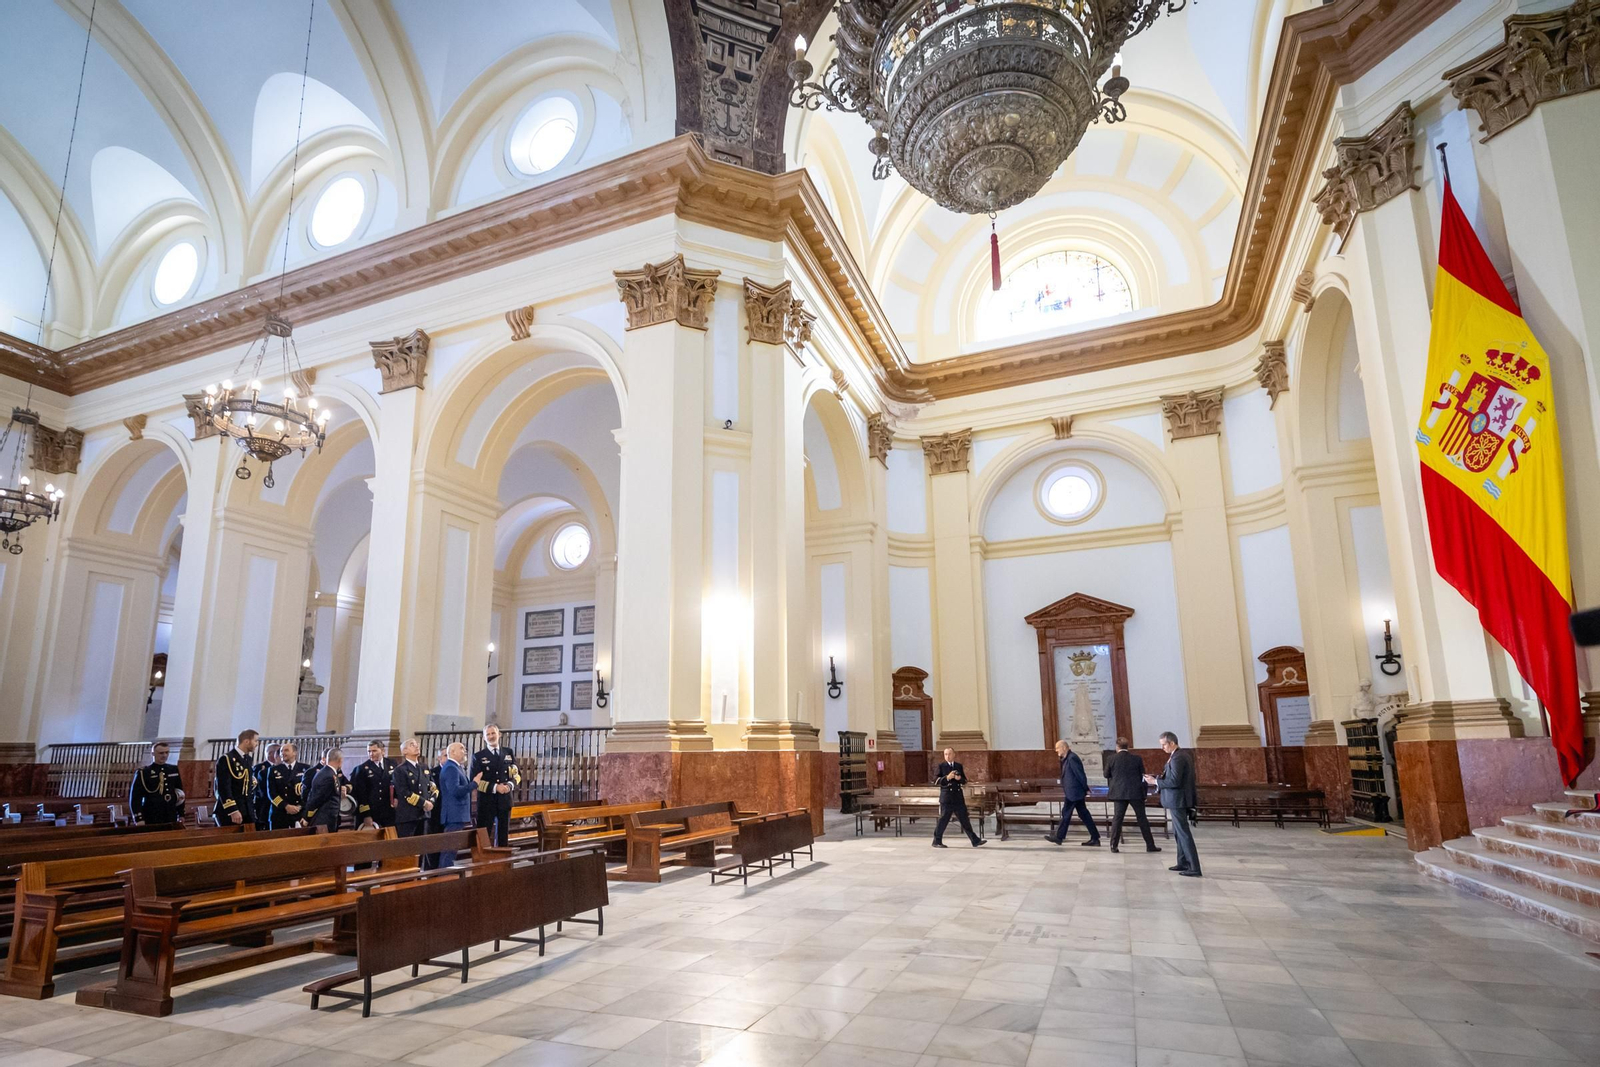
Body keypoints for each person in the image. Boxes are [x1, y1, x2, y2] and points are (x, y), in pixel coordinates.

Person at [1145, 731, 1200, 877]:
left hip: (1178, 799)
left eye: (1164, 745)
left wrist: (1155, 782)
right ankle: (1182, 862)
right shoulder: (1178, 756)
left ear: (1172, 743)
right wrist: (1156, 778)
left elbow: (1175, 781)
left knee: (1183, 833)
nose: (1162, 748)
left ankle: (1194, 867)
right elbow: (1172, 777)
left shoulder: (1178, 757)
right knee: (1178, 833)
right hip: (1176, 799)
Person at [1105, 737, 1159, 854]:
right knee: (1142, 819)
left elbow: (1106, 774)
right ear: (1127, 747)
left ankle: (1113, 846)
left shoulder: (1111, 758)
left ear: (1117, 747)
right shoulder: (1136, 759)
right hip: (1135, 792)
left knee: (1117, 819)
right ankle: (1150, 845)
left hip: (1119, 793)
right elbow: (1142, 774)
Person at [472, 724, 521, 846]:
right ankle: (483, 862)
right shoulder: (478, 756)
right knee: (484, 834)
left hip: (504, 799)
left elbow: (517, 775)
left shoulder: (508, 752)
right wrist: (495, 787)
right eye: (487, 734)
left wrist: (509, 785)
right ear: (484, 738)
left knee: (503, 835)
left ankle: (502, 862)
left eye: (493, 733)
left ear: (499, 734)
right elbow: (475, 781)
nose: (491, 736)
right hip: (487, 800)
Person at [1050, 739, 1101, 847]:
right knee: (1083, 815)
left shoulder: (1072, 758)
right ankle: (1095, 837)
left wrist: (1085, 788)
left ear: (1064, 747)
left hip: (1074, 792)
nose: (1056, 750)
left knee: (1066, 814)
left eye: (1057, 748)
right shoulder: (1066, 758)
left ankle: (1059, 837)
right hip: (1073, 792)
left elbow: (1080, 774)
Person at [932, 747, 985, 848]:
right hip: (947, 798)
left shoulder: (958, 766)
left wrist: (959, 778)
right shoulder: (941, 766)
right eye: (946, 754)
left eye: (949, 754)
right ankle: (937, 841)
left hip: (958, 797)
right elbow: (936, 781)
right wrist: (947, 778)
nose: (947, 756)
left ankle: (975, 840)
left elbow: (964, 781)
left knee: (965, 819)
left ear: (954, 754)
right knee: (943, 820)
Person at [393, 738, 438, 846]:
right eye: (412, 745)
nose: (417, 746)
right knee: (407, 848)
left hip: (424, 814)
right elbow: (403, 792)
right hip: (408, 815)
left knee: (421, 847)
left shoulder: (424, 767)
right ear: (404, 751)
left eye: (417, 744)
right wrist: (423, 803)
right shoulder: (400, 770)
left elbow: (433, 787)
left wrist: (431, 801)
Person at [128, 741, 185, 825]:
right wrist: (139, 818)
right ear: (153, 753)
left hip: (170, 813)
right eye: (161, 753)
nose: (164, 755)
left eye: (167, 752)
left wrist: (181, 814)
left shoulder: (173, 769)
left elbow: (180, 793)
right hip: (151, 814)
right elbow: (135, 798)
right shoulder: (144, 773)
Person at [437, 742, 473, 868]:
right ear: (452, 752)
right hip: (453, 814)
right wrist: (474, 784)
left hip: (458, 814)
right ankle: (444, 874)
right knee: (449, 847)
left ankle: (447, 871)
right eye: (461, 748)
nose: (465, 750)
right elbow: (456, 791)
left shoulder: (457, 767)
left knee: (452, 847)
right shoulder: (451, 768)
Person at [213, 729, 259, 826]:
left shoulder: (247, 759)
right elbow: (223, 787)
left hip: (246, 809)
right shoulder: (227, 759)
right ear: (247, 741)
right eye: (255, 741)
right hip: (232, 811)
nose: (257, 744)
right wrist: (232, 810)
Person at [303, 748, 350, 831]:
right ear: (340, 760)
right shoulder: (328, 776)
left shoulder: (326, 772)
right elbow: (316, 799)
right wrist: (307, 817)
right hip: (324, 819)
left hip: (328, 818)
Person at [351, 741, 395, 829]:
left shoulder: (392, 764)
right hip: (372, 811)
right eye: (369, 751)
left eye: (374, 751)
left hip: (389, 811)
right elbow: (360, 795)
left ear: (383, 751)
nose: (371, 754)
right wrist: (366, 814)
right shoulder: (362, 769)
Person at [265, 745, 304, 830]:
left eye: (286, 750)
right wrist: (286, 806)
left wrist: (300, 806)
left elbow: (309, 792)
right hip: (279, 813)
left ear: (294, 753)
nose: (282, 753)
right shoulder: (273, 770)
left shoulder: (305, 768)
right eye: (281, 751)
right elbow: (271, 793)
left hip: (298, 813)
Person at [252, 744, 282, 830]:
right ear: (270, 754)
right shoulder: (260, 768)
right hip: (265, 804)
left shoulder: (281, 768)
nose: (281, 754)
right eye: (279, 752)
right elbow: (257, 788)